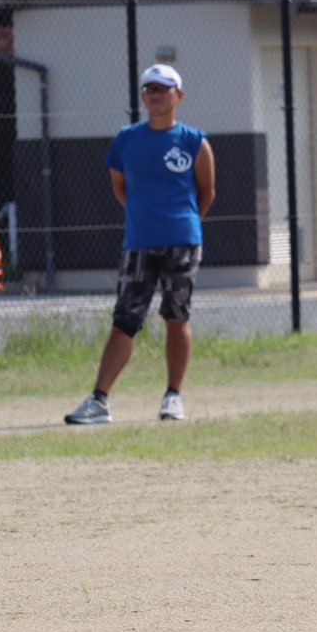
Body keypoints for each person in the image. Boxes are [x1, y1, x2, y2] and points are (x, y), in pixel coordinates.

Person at [65, 64, 216, 425]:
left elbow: (206, 193)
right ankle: (99, 401)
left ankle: (173, 398)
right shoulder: (127, 139)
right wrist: (144, 219)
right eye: (149, 89)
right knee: (124, 322)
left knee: (176, 317)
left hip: (183, 241)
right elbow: (121, 189)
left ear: (178, 96)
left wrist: (183, 222)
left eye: (163, 89)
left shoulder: (195, 141)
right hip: (138, 243)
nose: (155, 95)